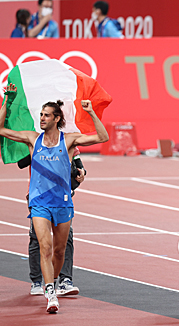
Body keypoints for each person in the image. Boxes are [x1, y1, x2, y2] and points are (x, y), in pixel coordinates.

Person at [0, 83, 109, 313]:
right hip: (39, 203)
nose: (41, 118)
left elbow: (103, 136)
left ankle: (55, 283)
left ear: (57, 119)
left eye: (46, 115)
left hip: (63, 203)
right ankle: (50, 293)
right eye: (40, 114)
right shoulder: (32, 139)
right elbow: (0, 129)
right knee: (45, 247)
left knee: (59, 251)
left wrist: (90, 112)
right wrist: (7, 102)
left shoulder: (68, 141)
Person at [24, 148, 86, 296]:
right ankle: (37, 281)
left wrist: (81, 172)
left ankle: (64, 281)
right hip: (39, 196)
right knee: (36, 240)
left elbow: (79, 164)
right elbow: (22, 162)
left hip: (61, 197)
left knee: (65, 241)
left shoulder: (66, 141)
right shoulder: (36, 141)